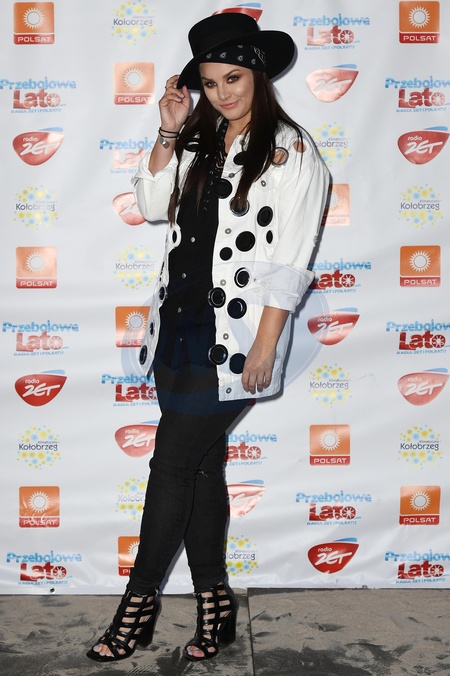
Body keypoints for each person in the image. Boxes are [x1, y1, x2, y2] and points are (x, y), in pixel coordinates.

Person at [87, 11, 329, 664]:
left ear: (258, 74)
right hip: (177, 329)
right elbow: (150, 205)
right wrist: (169, 130)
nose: (222, 93)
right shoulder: (199, 138)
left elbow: (291, 261)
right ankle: (215, 606)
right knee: (200, 466)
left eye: (233, 79)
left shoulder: (292, 151)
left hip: (235, 336)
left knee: (171, 465)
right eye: (211, 82)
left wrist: (265, 345)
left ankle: (137, 608)